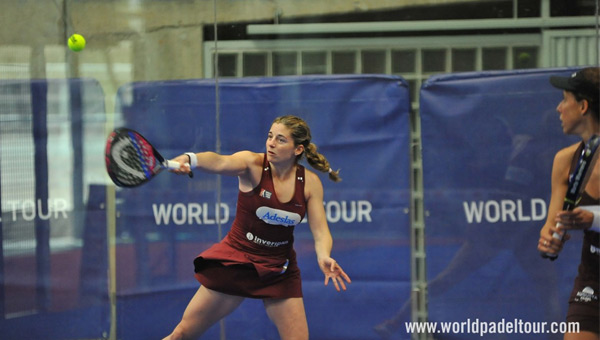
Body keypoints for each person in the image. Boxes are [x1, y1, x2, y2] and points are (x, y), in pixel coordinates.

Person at [162, 115, 351, 340]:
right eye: (270, 136)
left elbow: (320, 231)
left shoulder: (310, 183)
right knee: (182, 335)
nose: (271, 143)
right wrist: (189, 158)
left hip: (279, 270)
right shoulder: (251, 164)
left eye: (281, 140)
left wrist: (324, 256)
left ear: (297, 149)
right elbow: (219, 161)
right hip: (237, 262)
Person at [537, 67, 600, 340]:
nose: (558, 108)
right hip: (592, 281)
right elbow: (553, 224)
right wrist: (551, 238)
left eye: (565, 99)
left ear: (583, 106)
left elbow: (590, 218)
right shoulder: (564, 161)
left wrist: (594, 219)